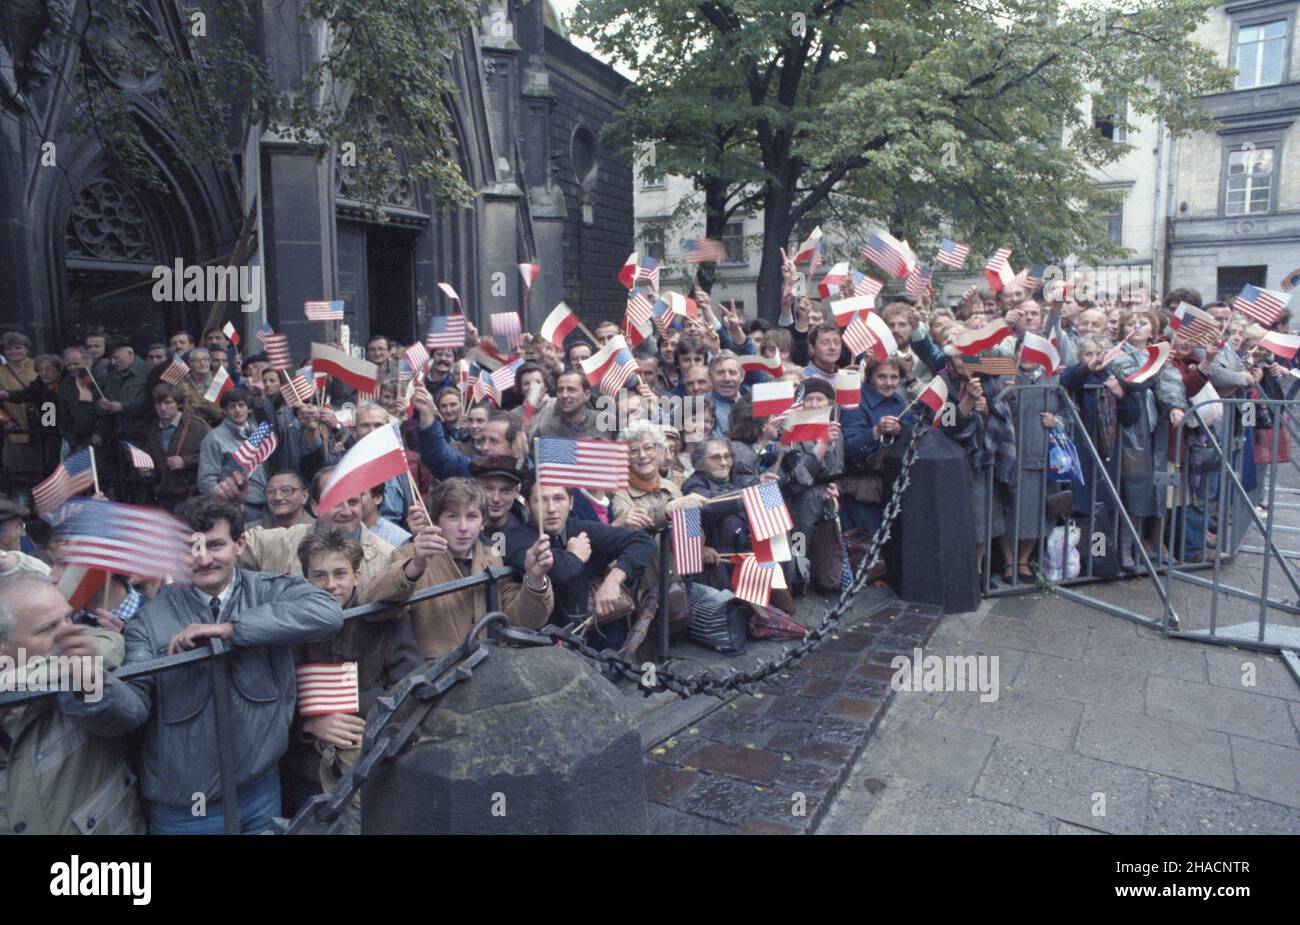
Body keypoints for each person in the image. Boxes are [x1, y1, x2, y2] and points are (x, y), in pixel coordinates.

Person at [62, 497, 344, 834]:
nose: (204, 558)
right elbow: (132, 708)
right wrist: (88, 680)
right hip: (187, 807)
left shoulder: (269, 590)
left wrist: (234, 630)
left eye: (215, 545)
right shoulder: (148, 621)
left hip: (259, 790)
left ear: (239, 544)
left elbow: (326, 612)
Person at [283, 530, 421, 813]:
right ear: (306, 578)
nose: (331, 585)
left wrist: (354, 709)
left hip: (374, 763)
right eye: (319, 575)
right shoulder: (289, 627)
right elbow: (277, 697)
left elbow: (409, 688)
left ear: (357, 575)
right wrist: (309, 724)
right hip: (309, 772)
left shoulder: (385, 618)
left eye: (340, 574)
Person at [0, 575, 146, 834]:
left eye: (68, 617)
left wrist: (87, 683)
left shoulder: (85, 653)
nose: (68, 632)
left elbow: (125, 716)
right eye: (48, 628)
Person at [367, 478, 555, 658]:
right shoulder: (409, 555)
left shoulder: (493, 558)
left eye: (472, 516)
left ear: (483, 523)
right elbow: (375, 609)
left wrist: (535, 579)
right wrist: (415, 566)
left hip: (488, 669)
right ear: (436, 521)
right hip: (434, 678)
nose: (464, 527)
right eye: (453, 516)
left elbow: (524, 620)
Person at [507, 483, 656, 651]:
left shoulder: (580, 529)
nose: (551, 509)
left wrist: (613, 580)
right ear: (527, 505)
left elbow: (644, 543)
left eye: (558, 499)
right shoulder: (514, 538)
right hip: (540, 647)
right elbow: (561, 571)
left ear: (571, 503)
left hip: (590, 640)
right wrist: (576, 556)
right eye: (541, 501)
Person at [198, 388, 270, 522]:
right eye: (232, 406)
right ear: (225, 411)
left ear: (248, 409)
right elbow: (206, 479)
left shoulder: (259, 432)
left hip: (268, 502)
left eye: (241, 405)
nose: (237, 410)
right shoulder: (214, 438)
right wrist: (225, 505)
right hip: (240, 506)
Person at [145, 383, 210, 511]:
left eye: (168, 402)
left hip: (192, 496)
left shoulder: (197, 426)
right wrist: (147, 469)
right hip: (164, 496)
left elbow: (213, 457)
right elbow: (152, 457)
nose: (163, 408)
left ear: (178, 404)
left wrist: (186, 462)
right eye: (158, 404)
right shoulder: (153, 429)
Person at [0, 332, 40, 498]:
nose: (14, 351)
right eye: (9, 349)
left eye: (18, 347)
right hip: (17, 428)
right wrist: (6, 421)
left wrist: (51, 422)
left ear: (27, 348)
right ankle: (24, 509)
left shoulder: (40, 364)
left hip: (43, 427)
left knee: (45, 470)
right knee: (20, 473)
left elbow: (51, 397)